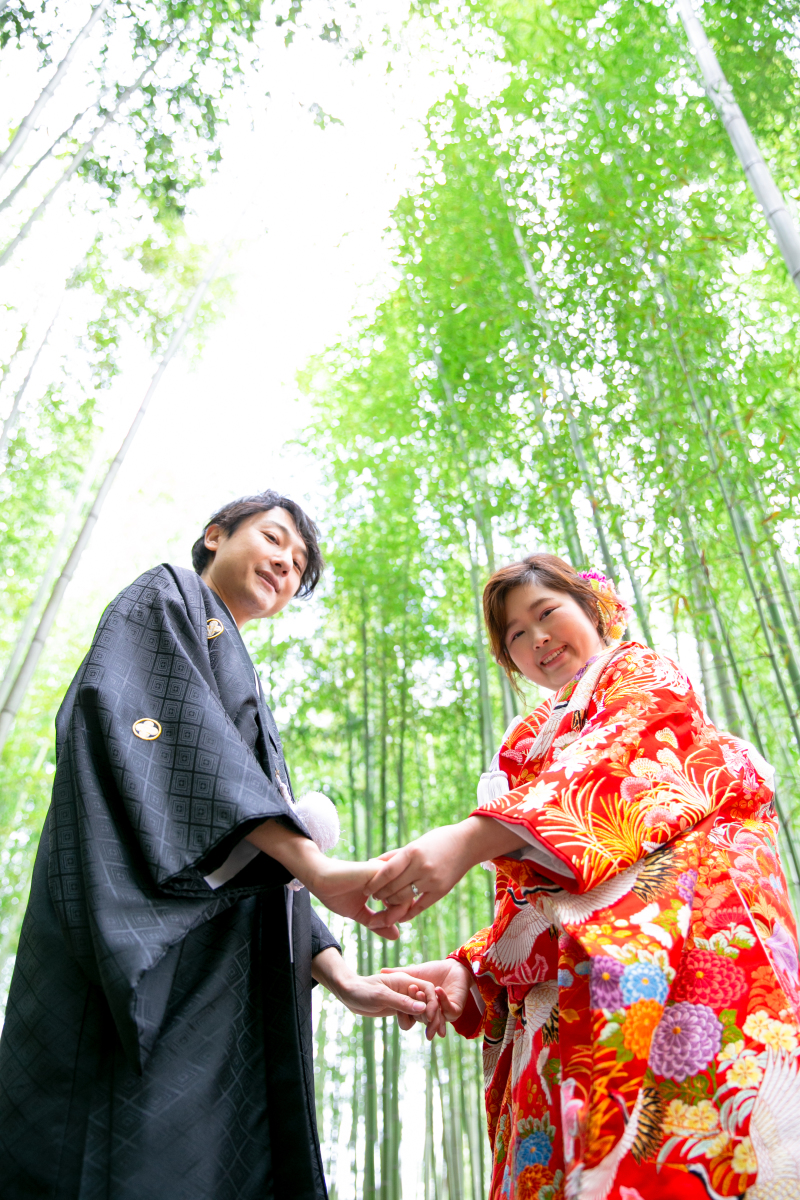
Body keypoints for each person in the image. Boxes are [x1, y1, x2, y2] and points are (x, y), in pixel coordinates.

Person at [0, 489, 434, 1200]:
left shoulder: (252, 690)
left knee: (219, 1161)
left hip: (227, 983)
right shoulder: (163, 594)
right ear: (214, 535)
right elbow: (176, 748)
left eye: (297, 566)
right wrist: (313, 861)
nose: (284, 565)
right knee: (128, 1147)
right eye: (273, 539)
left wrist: (340, 975)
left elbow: (272, 854)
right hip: (150, 950)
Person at [371, 554, 800, 1200]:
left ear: (594, 610)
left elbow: (623, 764)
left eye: (547, 613)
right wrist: (474, 972)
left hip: (689, 952)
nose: (537, 638)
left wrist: (471, 838)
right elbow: (531, 901)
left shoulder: (640, 673)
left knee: (701, 1140)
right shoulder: (520, 750)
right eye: (515, 634)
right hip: (566, 998)